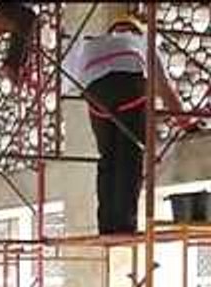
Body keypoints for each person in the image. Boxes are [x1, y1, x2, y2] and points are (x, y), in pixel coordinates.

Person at [64, 13, 186, 235]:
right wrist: (186, 123)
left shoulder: (93, 42)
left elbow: (66, 80)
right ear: (135, 30)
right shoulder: (143, 41)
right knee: (130, 154)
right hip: (128, 83)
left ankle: (107, 225)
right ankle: (123, 225)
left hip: (95, 91)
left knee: (108, 158)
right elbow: (166, 90)